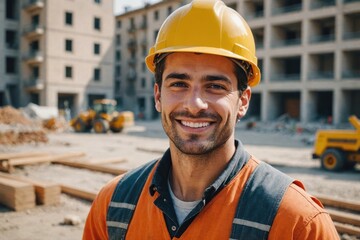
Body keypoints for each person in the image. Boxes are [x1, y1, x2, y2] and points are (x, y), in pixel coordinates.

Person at [83, 0, 339, 239]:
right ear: (158, 95)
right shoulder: (112, 206)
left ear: (243, 101)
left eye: (215, 86)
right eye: (179, 84)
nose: (195, 104)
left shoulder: (298, 223)